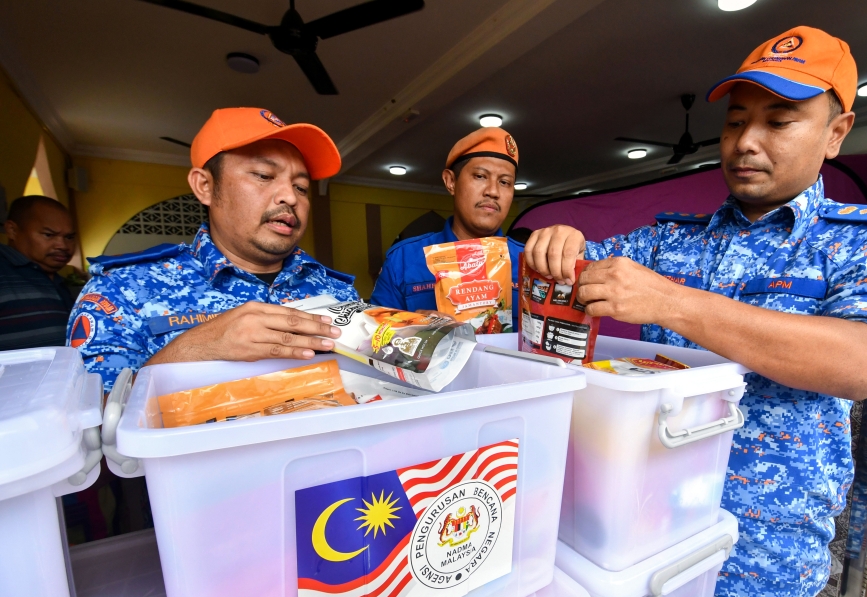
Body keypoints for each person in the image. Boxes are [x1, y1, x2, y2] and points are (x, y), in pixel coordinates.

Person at [524, 27, 867, 597]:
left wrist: (671, 303)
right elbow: (563, 276)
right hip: (641, 527)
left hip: (761, 553)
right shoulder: (669, 243)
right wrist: (557, 242)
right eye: (736, 121)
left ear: (835, 132)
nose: (746, 141)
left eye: (780, 121)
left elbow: (863, 362)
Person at [69, 107, 359, 391]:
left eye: (301, 187)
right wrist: (194, 349)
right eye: (263, 175)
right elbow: (90, 426)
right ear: (205, 186)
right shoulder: (120, 289)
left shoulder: (338, 291)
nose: (289, 197)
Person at [370, 127, 524, 327]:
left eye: (505, 182)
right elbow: (371, 336)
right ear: (451, 181)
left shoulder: (529, 262)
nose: (493, 191)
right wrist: (410, 326)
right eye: (480, 176)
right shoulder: (403, 259)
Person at [0, 195, 78, 350]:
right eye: (49, 235)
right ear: (12, 230)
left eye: (69, 237)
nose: (62, 245)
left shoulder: (56, 280)